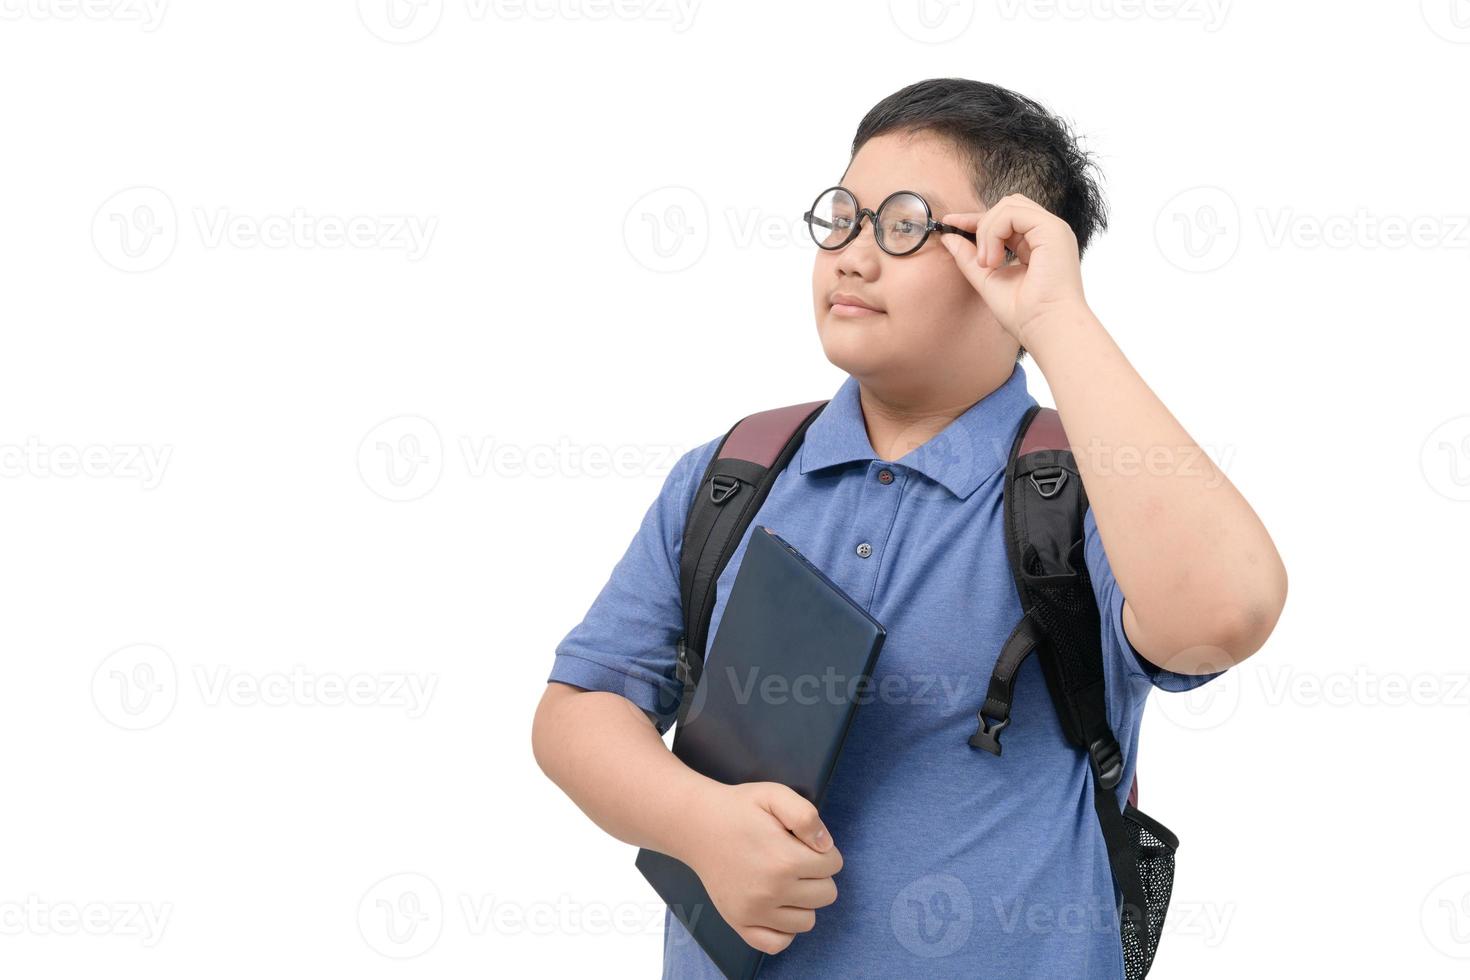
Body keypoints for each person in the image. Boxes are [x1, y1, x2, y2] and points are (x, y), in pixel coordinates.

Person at [531, 77, 1287, 979]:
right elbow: (579, 709)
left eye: (903, 226)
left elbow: (1227, 611)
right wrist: (695, 823)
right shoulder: (733, 471)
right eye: (843, 216)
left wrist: (1055, 319)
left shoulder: (1086, 494)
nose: (852, 254)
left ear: (1006, 254)